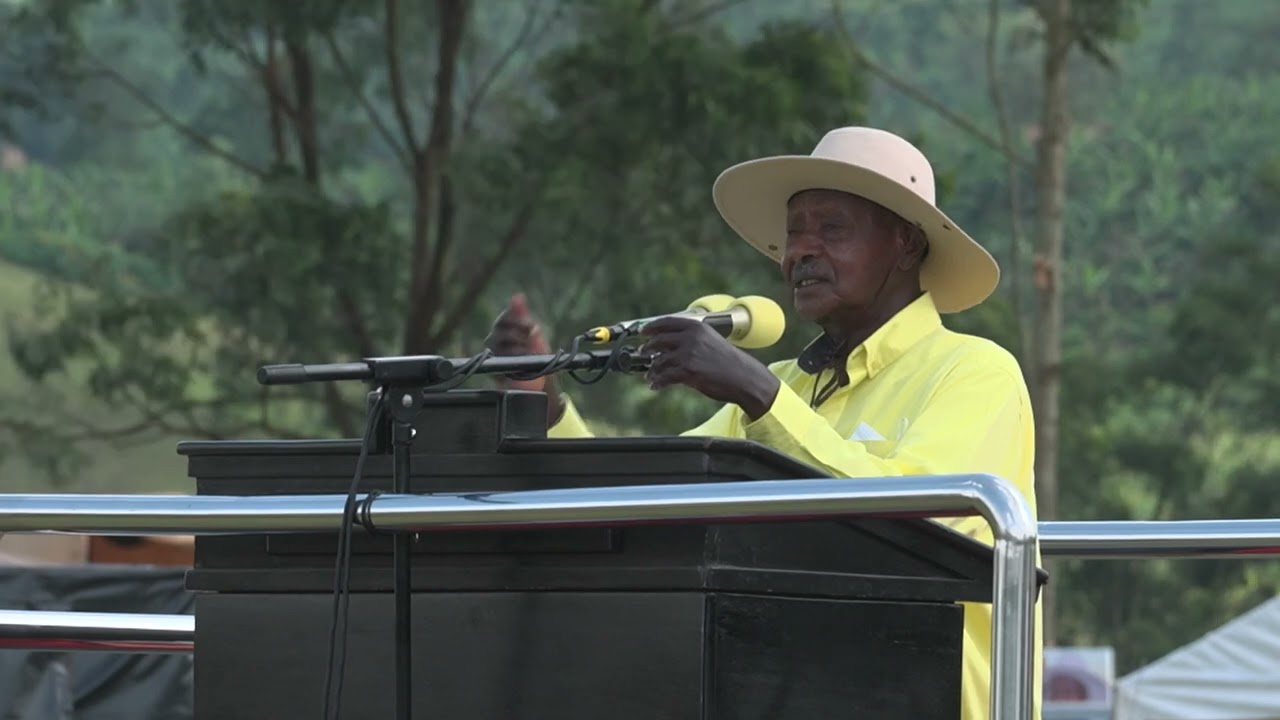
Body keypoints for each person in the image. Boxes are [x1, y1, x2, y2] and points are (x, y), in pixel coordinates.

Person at [485, 126, 1042, 720]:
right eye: (793, 233)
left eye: (831, 229)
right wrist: (544, 400)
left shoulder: (976, 371)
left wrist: (757, 392)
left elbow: (921, 520)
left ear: (904, 246)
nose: (801, 250)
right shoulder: (791, 385)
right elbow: (647, 502)